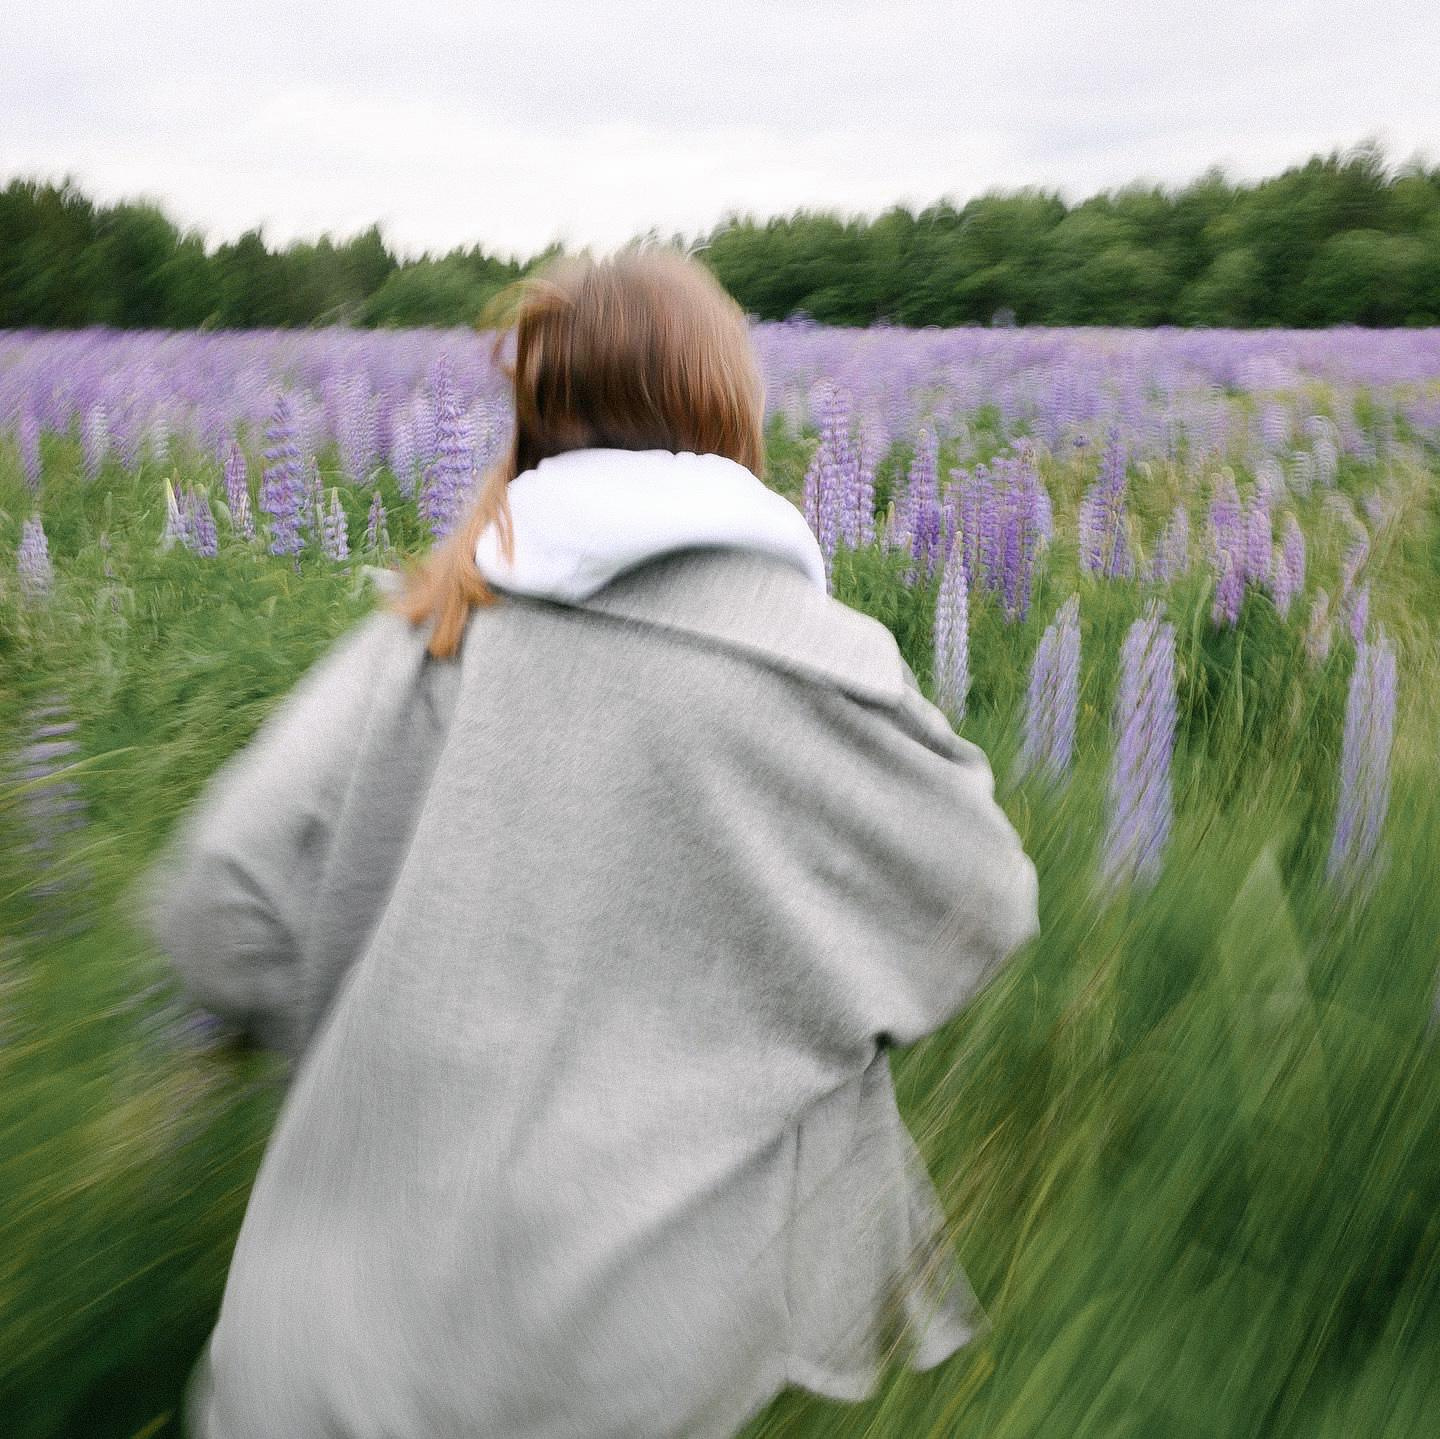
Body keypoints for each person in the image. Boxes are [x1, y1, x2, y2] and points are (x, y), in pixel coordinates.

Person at [138, 245, 1040, 1439]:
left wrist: (365, 1050)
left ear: (537, 414)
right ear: (728, 410)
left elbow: (220, 900)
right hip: (611, 1372)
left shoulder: (426, 625)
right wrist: (762, 1025)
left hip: (316, 1367)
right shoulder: (814, 655)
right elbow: (983, 901)